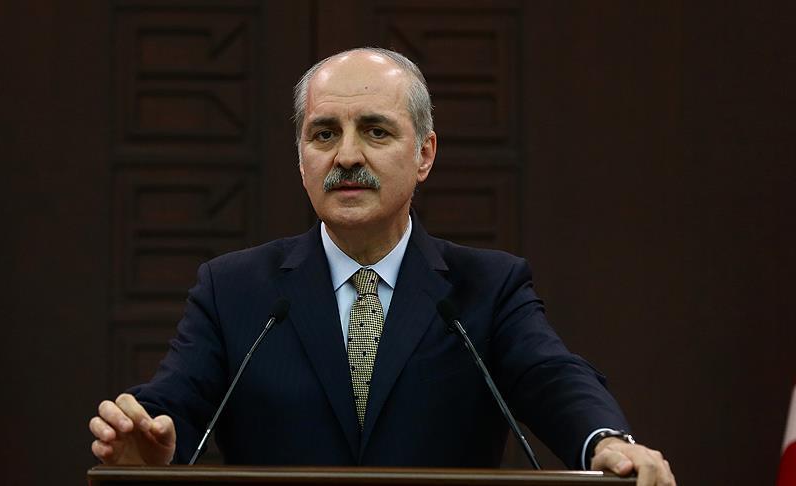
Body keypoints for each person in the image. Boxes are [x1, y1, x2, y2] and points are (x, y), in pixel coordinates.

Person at [88, 47, 676, 485]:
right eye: (324, 134)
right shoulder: (235, 289)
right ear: (301, 159)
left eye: (375, 131)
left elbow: (552, 376)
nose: (347, 156)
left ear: (424, 154)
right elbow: (175, 402)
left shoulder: (486, 288)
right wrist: (148, 443)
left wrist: (606, 441)